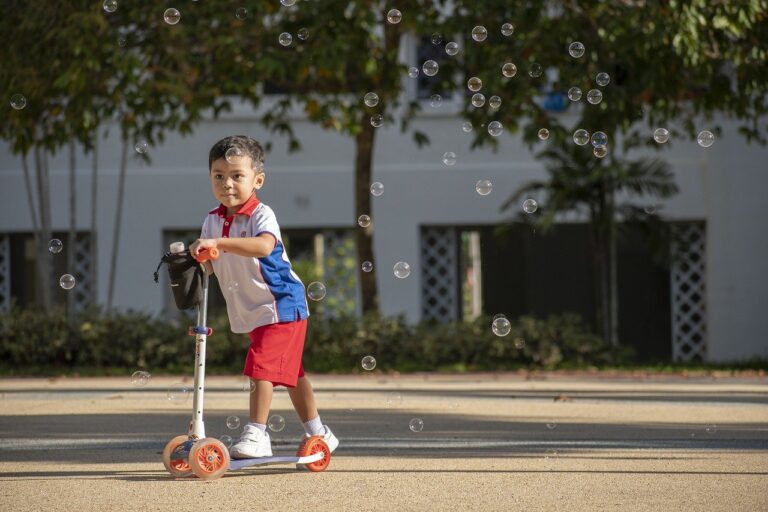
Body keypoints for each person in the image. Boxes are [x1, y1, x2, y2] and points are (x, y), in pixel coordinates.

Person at [190, 135, 338, 459]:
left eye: (236, 176)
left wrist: (220, 243)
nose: (227, 184)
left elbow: (264, 246)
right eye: (218, 176)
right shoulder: (212, 220)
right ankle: (320, 433)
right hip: (253, 309)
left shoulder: (261, 214)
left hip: (282, 303)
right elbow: (213, 266)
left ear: (257, 180)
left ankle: (257, 434)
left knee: (261, 365)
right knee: (291, 374)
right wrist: (194, 257)